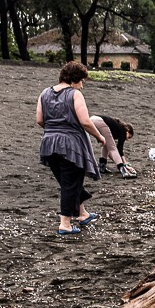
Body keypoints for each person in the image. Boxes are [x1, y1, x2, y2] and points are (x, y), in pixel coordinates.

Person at [36, 61, 106, 235]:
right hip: (70, 144)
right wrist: (99, 136)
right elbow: (84, 121)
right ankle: (65, 224)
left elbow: (39, 119)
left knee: (68, 181)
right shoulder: (74, 94)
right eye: (81, 81)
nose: (82, 86)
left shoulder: (44, 93)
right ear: (75, 79)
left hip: (48, 143)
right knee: (70, 183)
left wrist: (53, 129)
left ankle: (82, 214)